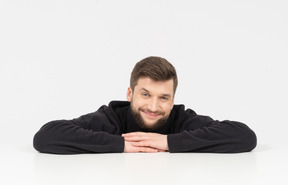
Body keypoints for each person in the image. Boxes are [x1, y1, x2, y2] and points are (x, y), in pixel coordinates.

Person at [33, 56, 257, 154]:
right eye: (145, 94)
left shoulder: (180, 119)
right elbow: (46, 136)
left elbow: (244, 136)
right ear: (130, 94)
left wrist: (168, 141)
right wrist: (121, 145)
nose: (153, 106)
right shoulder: (112, 117)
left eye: (163, 97)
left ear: (172, 100)